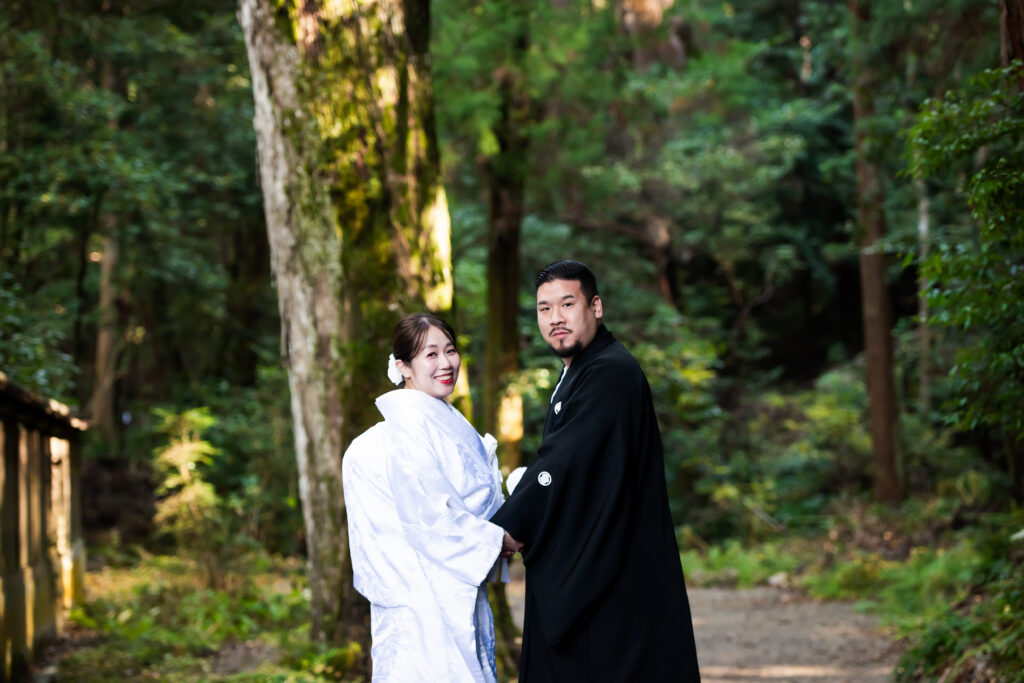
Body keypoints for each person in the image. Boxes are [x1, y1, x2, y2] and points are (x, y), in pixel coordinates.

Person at [490, 260, 701, 682]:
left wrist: (508, 529)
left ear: (596, 307)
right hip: (607, 565)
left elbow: (563, 464)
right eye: (544, 309)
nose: (555, 318)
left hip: (614, 577)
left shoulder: (610, 372)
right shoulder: (582, 371)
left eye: (567, 304)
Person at [343, 313, 521, 683]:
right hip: (425, 599)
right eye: (431, 354)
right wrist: (495, 540)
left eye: (451, 351)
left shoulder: (438, 419)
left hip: (454, 588)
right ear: (403, 366)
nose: (446, 363)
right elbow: (429, 517)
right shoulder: (406, 429)